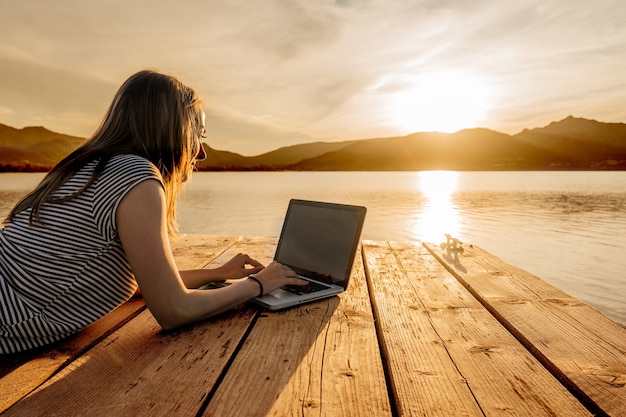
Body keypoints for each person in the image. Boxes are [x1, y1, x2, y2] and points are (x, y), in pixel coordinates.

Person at [0, 69, 307, 354]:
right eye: (199, 134)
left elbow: (146, 282)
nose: (201, 151)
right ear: (173, 129)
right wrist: (260, 284)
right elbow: (173, 310)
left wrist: (218, 274)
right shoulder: (135, 175)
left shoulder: (88, 166)